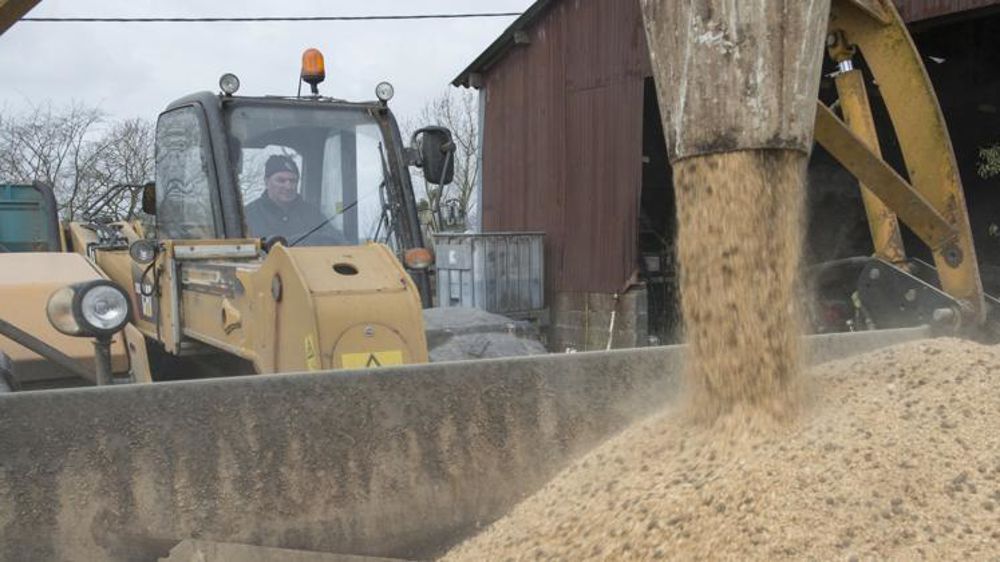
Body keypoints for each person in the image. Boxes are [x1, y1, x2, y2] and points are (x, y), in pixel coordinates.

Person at [244, 155, 345, 245]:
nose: (288, 186)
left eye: (293, 181)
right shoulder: (247, 215)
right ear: (266, 181)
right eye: (281, 180)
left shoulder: (312, 214)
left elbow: (338, 241)